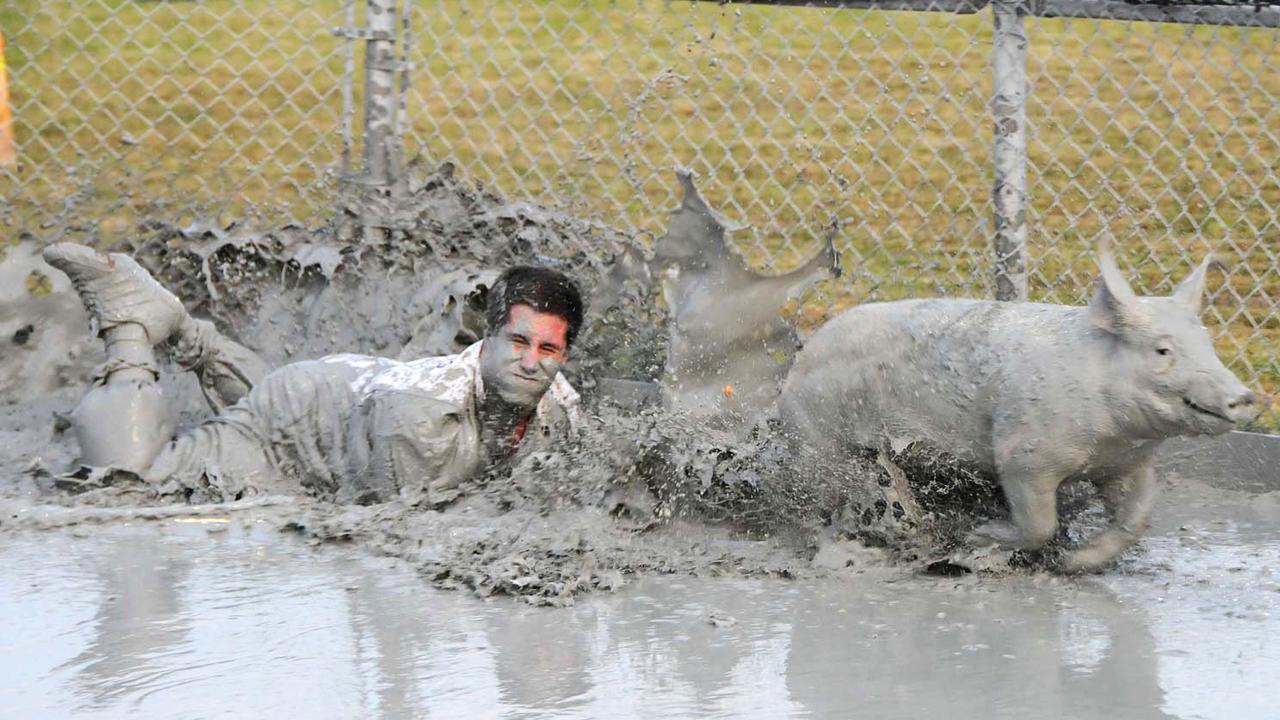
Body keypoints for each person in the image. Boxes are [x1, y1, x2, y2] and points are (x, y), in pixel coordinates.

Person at [42, 243, 583, 505]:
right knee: (129, 484)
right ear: (485, 340)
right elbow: (393, 530)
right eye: (517, 341)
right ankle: (131, 325)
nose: (531, 362)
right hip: (298, 427)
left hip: (346, 397)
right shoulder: (419, 425)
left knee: (318, 422)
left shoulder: (562, 405)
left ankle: (187, 333)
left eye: (547, 348)